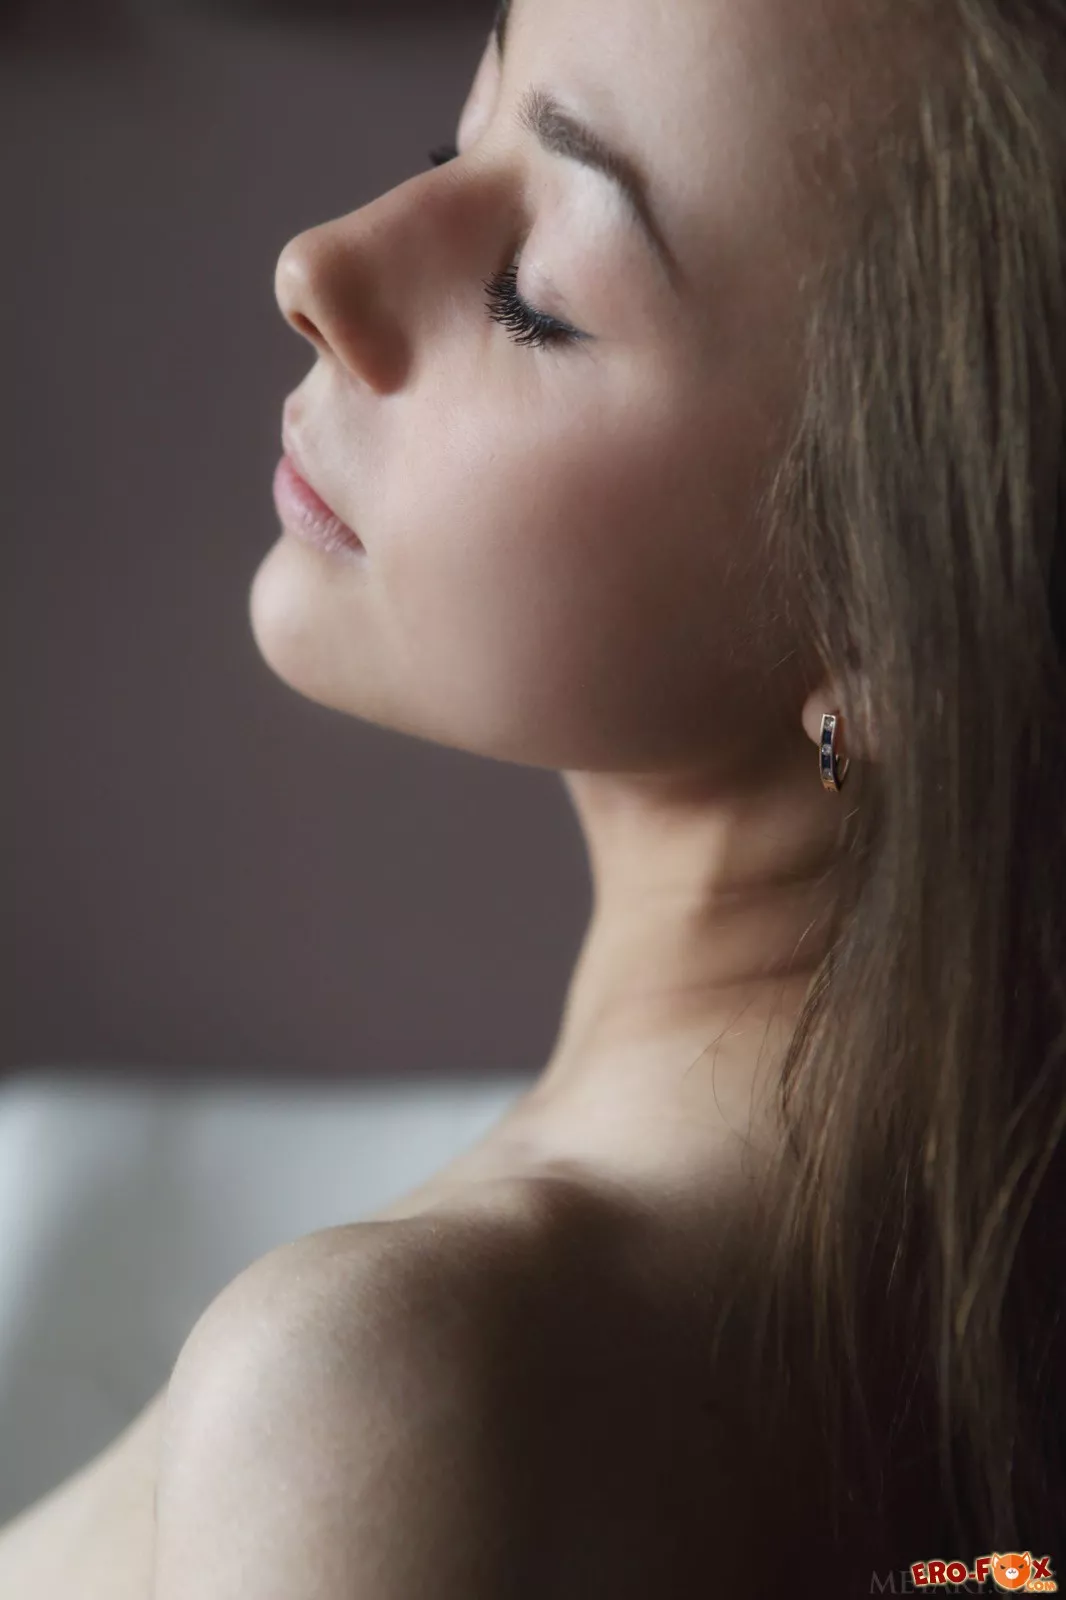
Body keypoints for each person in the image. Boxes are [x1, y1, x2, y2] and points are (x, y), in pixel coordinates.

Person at [1, 0, 1061, 1593]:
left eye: (533, 294)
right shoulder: (935, 1307)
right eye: (456, 134)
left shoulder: (383, 1393)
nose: (318, 264)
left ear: (898, 636)